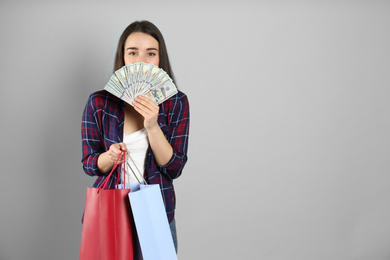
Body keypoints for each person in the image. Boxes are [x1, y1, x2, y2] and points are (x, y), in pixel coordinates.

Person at [81, 20, 190, 255]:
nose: (141, 60)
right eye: (133, 52)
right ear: (122, 57)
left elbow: (174, 168)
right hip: (110, 204)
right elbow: (90, 164)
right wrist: (110, 157)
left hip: (156, 206)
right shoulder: (99, 102)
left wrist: (152, 126)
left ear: (160, 59)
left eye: (151, 53)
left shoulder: (176, 102)